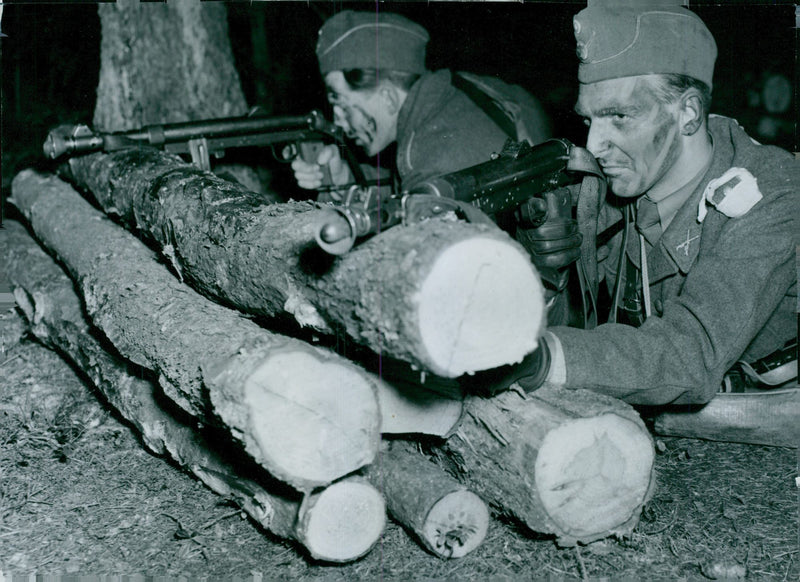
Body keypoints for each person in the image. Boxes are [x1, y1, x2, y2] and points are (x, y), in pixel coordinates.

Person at [492, 0, 798, 406]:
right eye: (588, 120)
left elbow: (690, 355)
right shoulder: (620, 187)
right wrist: (547, 278)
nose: (594, 146)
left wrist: (543, 358)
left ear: (687, 112)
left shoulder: (771, 195)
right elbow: (578, 324)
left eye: (619, 116)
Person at [291, 10, 551, 198]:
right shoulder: (465, 88)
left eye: (342, 103)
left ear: (387, 98)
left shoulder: (423, 154)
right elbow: (405, 188)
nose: (338, 121)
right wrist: (344, 179)